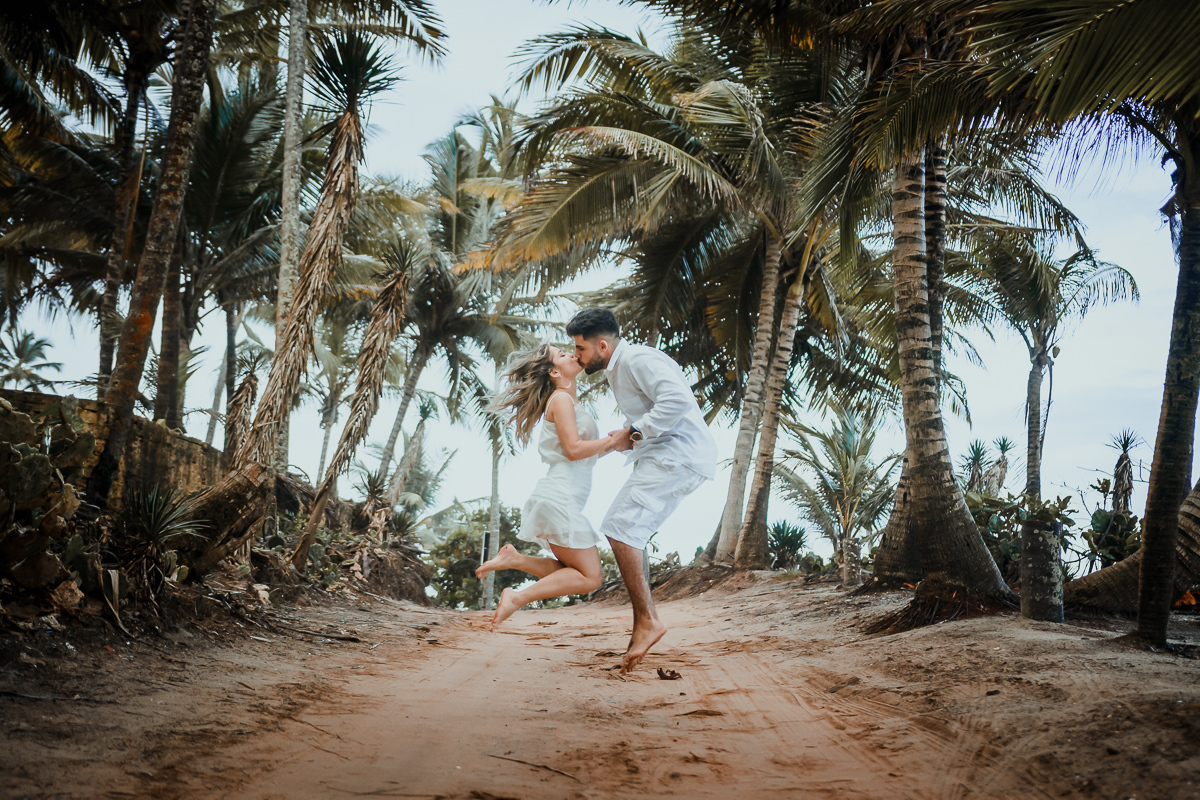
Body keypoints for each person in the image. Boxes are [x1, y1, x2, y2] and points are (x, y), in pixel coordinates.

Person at [566, 308, 718, 673]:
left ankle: (648, 620)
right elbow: (651, 412)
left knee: (620, 529)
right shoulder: (621, 367)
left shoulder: (636, 359)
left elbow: (678, 401)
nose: (577, 356)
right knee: (626, 531)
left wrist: (632, 432)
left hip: (678, 456)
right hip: (669, 456)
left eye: (581, 349)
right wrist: (624, 437)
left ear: (602, 345)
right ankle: (643, 622)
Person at [476, 344, 618, 631]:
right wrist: (614, 440)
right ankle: (518, 597)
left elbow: (583, 454)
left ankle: (515, 559)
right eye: (563, 354)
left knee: (578, 573)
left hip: (562, 496)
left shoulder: (569, 401)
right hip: (559, 497)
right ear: (554, 371)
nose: (572, 353)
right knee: (590, 578)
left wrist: (617, 443)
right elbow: (575, 449)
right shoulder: (561, 399)